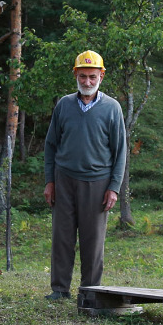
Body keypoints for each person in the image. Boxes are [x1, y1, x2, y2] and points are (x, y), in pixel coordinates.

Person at [42, 50, 127, 303]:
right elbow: (50, 145)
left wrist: (114, 187)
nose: (87, 81)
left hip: (98, 183)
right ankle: (59, 289)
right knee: (62, 236)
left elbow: (120, 151)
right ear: (75, 75)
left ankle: (90, 291)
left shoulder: (112, 108)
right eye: (82, 76)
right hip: (64, 179)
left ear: (101, 75)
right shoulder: (64, 105)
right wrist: (50, 181)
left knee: (93, 241)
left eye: (92, 76)